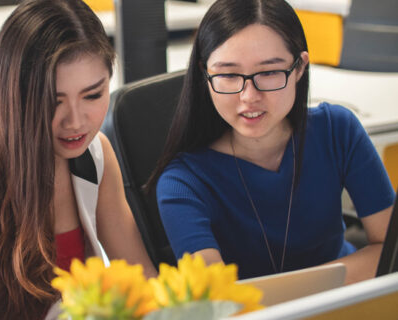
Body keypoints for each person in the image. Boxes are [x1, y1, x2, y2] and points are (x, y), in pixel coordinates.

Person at [0, 0, 156, 319]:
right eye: (53, 101)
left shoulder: (96, 154)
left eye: (93, 95)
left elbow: (141, 278)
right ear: (15, 94)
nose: (76, 121)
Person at [151, 0, 394, 284]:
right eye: (228, 75)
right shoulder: (183, 182)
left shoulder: (337, 130)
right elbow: (216, 298)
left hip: (346, 302)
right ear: (205, 74)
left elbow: (389, 250)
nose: (249, 97)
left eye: (268, 72)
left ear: (300, 68)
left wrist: (298, 292)